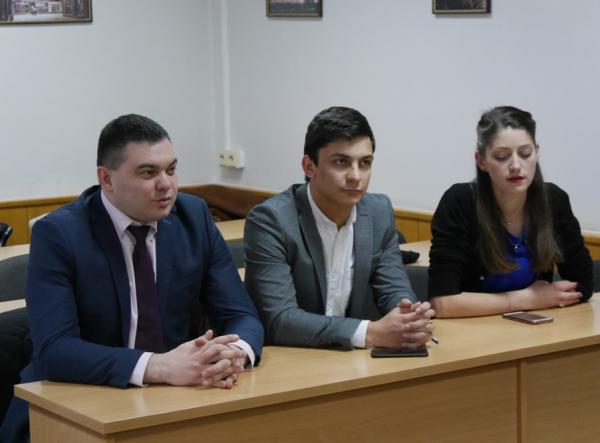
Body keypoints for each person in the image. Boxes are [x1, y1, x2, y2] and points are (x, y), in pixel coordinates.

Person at [1, 114, 263, 442]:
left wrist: (233, 353)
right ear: (106, 179)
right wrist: (159, 366)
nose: (166, 184)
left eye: (171, 169)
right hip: (72, 404)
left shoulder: (193, 217)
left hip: (173, 397)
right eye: (148, 173)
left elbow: (241, 314)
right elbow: (55, 350)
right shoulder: (60, 234)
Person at [244, 106, 434, 350]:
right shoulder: (272, 220)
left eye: (365, 163)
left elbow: (394, 289)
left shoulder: (378, 212)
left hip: (348, 356)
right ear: (309, 166)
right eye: (341, 162)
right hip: (288, 356)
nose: (356, 176)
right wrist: (370, 332)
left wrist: (409, 319)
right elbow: (280, 320)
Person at [429, 106, 593, 317]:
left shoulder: (554, 200)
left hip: (534, 329)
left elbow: (583, 284)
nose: (516, 165)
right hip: (471, 328)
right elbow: (442, 303)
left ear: (537, 152)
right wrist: (527, 299)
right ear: (481, 161)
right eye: (501, 156)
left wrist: (544, 299)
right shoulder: (460, 201)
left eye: (525, 153)